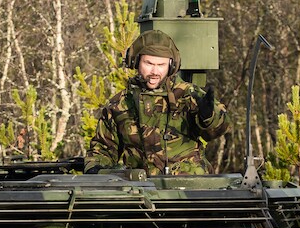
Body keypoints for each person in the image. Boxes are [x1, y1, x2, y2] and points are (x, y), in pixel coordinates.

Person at [86, 29, 227, 175]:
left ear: (171, 65)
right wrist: (95, 168)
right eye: (149, 63)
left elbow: (217, 130)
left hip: (189, 188)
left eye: (161, 65)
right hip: (141, 188)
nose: (155, 71)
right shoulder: (120, 104)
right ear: (135, 61)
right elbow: (103, 148)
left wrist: (209, 117)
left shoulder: (188, 95)